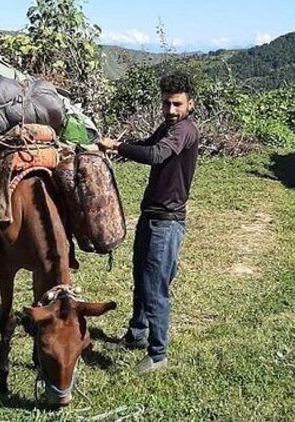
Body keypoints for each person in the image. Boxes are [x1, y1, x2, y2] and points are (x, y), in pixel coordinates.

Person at [97, 71, 200, 374]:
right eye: (166, 103)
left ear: (189, 104)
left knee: (155, 286)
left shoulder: (184, 130)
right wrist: (119, 144)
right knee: (142, 279)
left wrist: (117, 148)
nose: (170, 110)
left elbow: (156, 154)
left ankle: (158, 354)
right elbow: (146, 144)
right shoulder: (168, 127)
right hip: (152, 216)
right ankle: (137, 335)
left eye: (177, 104)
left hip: (167, 223)